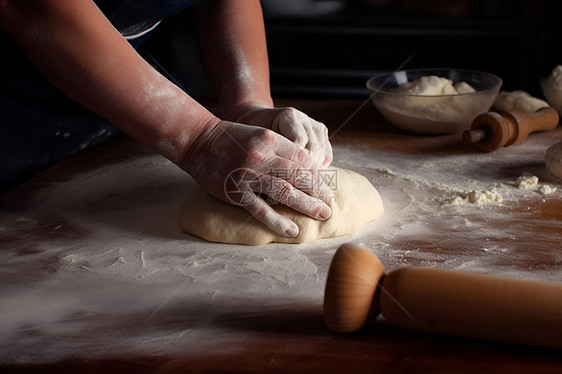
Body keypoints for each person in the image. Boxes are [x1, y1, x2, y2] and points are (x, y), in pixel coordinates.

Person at [0, 0, 334, 238]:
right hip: (19, 116)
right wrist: (200, 139)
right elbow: (35, 7)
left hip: (148, 96)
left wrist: (247, 104)